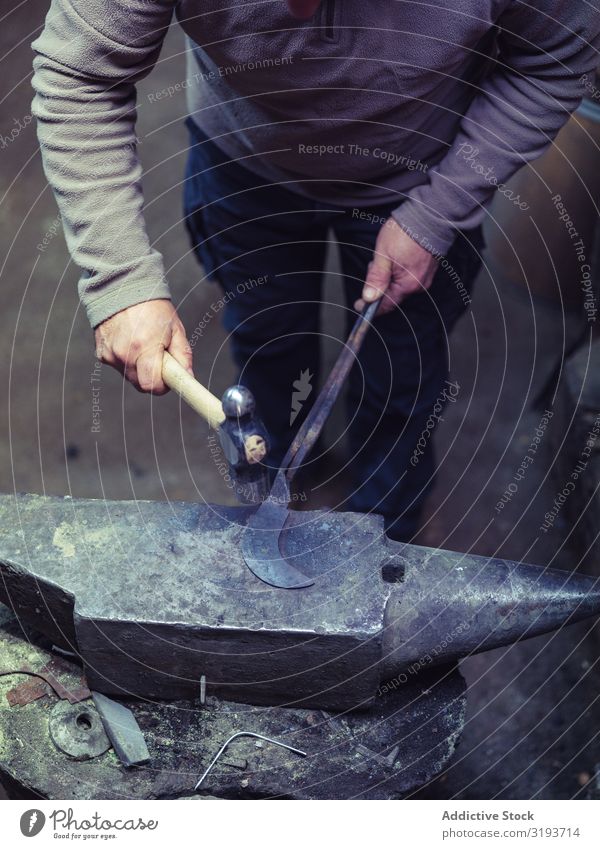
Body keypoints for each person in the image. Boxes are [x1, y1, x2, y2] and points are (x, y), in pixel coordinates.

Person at [31, 1, 600, 539]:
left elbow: (557, 60)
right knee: (268, 341)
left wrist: (440, 210)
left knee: (402, 380)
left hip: (422, 172)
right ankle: (271, 471)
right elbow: (78, 74)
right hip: (241, 161)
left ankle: (384, 540)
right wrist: (120, 278)